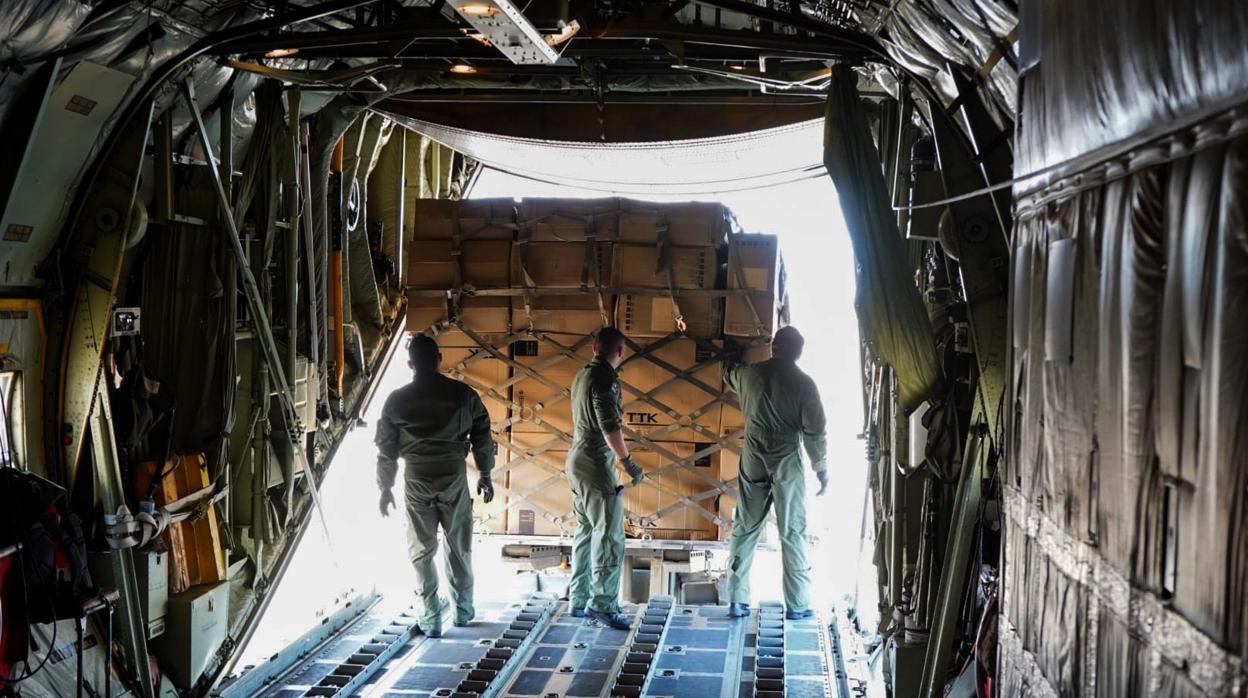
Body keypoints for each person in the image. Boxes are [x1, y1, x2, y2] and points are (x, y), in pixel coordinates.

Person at [375, 334, 496, 638]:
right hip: (453, 477)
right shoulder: (462, 394)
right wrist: (485, 472)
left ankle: (430, 620)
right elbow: (482, 431)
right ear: (439, 359)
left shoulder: (396, 400)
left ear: (410, 364)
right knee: (459, 548)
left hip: (416, 480)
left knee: (421, 552)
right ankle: (463, 612)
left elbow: (386, 449)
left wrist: (385, 487)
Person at [723, 325, 828, 620]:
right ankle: (797, 604)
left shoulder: (750, 375)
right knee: (792, 530)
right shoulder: (804, 384)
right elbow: (814, 432)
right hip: (786, 461)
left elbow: (729, 373)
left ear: (773, 347)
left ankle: (737, 600)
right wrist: (820, 467)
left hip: (754, 456)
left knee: (746, 527)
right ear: (799, 353)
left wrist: (730, 358)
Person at [565, 326, 644, 630]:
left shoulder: (582, 375)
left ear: (593, 346)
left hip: (576, 460)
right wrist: (629, 463)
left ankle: (579, 599)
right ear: (621, 352)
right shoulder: (605, 379)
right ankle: (603, 605)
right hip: (596, 464)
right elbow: (609, 425)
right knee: (610, 535)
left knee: (585, 531)